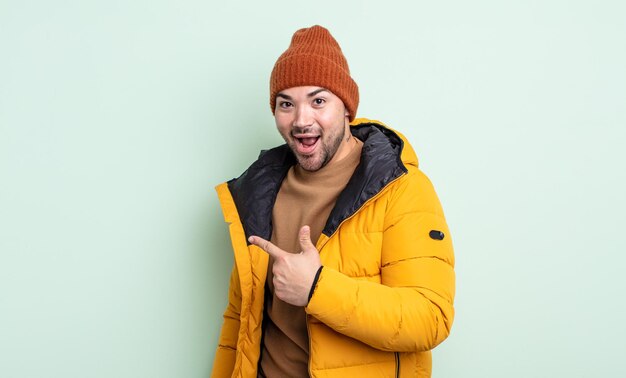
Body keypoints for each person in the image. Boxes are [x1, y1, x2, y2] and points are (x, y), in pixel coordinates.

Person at [211, 25, 455, 378]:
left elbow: (430, 317)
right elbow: (240, 321)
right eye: (286, 104)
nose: (301, 120)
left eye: (318, 100)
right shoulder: (256, 194)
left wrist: (318, 288)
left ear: (347, 108)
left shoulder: (402, 189)